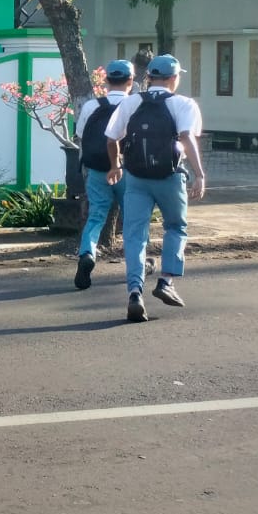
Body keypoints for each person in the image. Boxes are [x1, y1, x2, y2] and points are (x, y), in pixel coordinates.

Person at [104, 54, 205, 323]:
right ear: (174, 78)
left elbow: (111, 138)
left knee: (135, 235)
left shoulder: (131, 102)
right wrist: (199, 174)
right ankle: (166, 281)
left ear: (148, 77)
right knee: (176, 227)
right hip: (169, 177)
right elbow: (187, 137)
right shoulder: (184, 104)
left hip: (136, 178)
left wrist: (115, 166)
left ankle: (134, 291)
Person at [72, 60, 134, 290]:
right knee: (133, 217)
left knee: (96, 215)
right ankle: (138, 262)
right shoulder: (135, 105)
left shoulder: (91, 106)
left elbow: (80, 135)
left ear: (106, 81)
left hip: (98, 169)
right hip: (128, 170)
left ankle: (87, 253)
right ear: (130, 81)